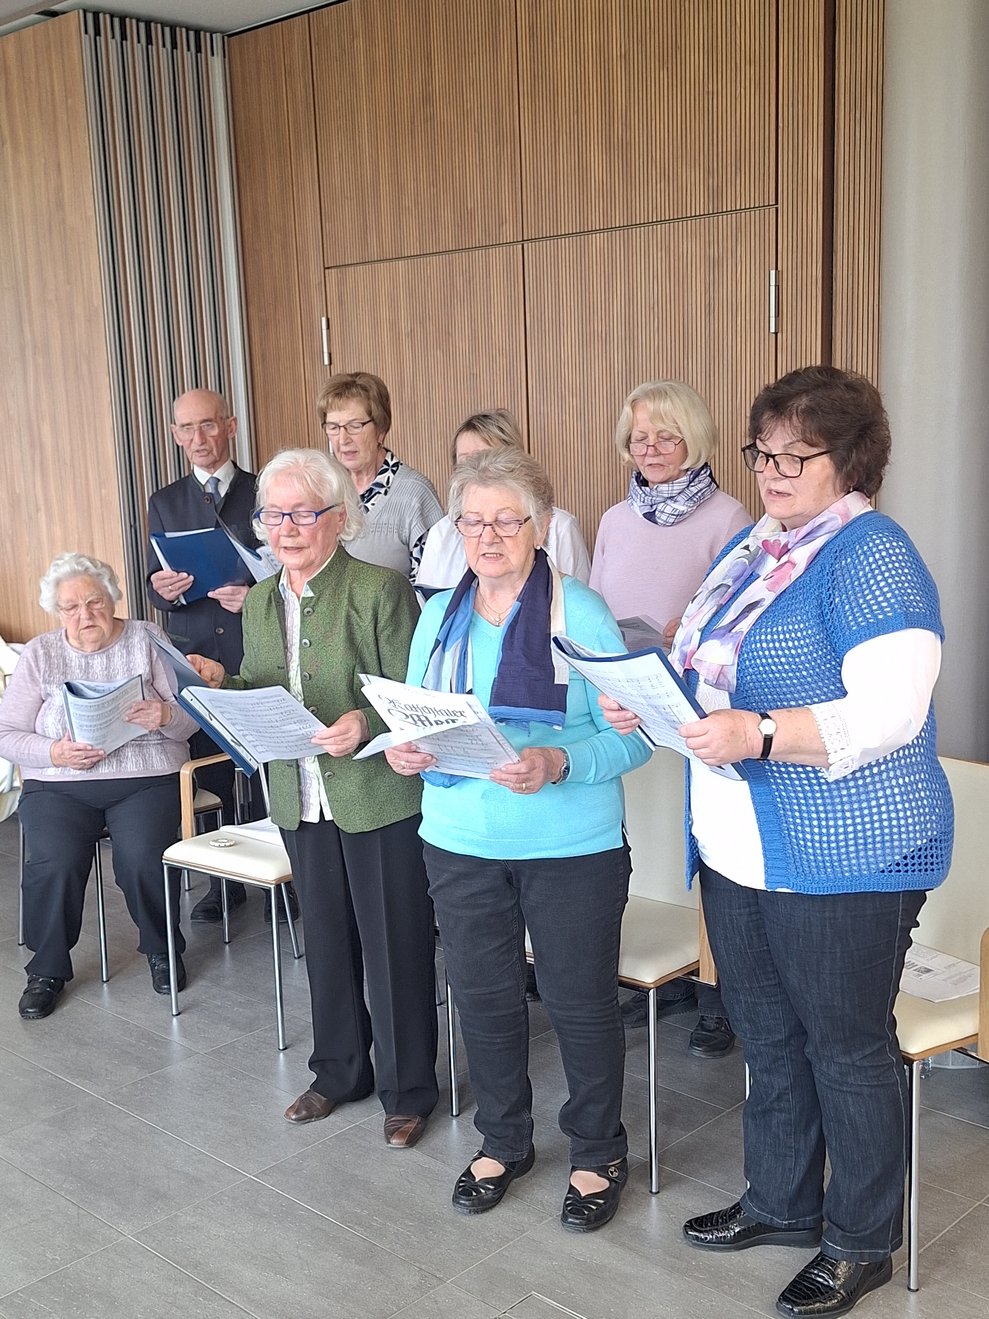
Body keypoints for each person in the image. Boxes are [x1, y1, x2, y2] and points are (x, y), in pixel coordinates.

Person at [602, 366, 953, 1319]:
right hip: (738, 843)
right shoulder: (758, 547)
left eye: (799, 455)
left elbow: (889, 708)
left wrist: (759, 732)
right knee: (766, 1033)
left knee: (846, 1047)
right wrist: (641, 690)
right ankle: (782, 1201)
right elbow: (698, 659)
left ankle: (859, 1239)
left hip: (846, 849)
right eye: (764, 452)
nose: (774, 471)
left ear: (852, 459)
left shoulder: (872, 553)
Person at [386, 447, 650, 1230]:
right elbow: (421, 719)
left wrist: (557, 759)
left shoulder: (583, 612)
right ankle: (502, 1139)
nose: (488, 536)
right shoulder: (438, 614)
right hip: (459, 839)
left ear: (540, 526)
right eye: (472, 521)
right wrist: (408, 747)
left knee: (579, 1004)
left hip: (572, 848)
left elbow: (636, 741)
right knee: (484, 998)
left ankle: (598, 1150)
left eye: (507, 519)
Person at [188, 449, 438, 1147]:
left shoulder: (379, 589)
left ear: (338, 518)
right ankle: (337, 1071)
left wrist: (368, 721)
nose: (285, 527)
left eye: (302, 512)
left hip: (376, 795)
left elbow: (413, 702)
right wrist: (217, 685)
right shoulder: (263, 598)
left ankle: (409, 1087)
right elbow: (261, 686)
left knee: (395, 945)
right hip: (298, 796)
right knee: (324, 941)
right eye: (274, 513)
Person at [590, 379, 749, 1055]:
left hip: (696, 709)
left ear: (694, 439)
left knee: (705, 851)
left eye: (665, 434)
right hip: (626, 705)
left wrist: (687, 627)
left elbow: (742, 620)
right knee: (650, 844)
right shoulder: (612, 518)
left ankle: (719, 992)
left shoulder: (729, 515)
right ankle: (664, 974)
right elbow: (594, 609)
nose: (649, 448)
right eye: (638, 436)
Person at [0, 553, 199, 1018]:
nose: (85, 615)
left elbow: (193, 714)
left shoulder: (147, 638)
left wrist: (166, 715)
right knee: (55, 862)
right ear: (57, 611)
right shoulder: (41, 653)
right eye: (71, 607)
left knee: (142, 856)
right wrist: (54, 753)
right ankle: (46, 969)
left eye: (94, 601)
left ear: (113, 598)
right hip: (61, 783)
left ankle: (163, 948)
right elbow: (6, 733)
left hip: (143, 776)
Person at [146, 387, 265, 924]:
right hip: (193, 652)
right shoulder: (165, 500)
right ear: (175, 435)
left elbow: (290, 572)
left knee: (266, 766)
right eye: (186, 429)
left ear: (231, 426)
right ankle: (223, 883)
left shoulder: (263, 489)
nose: (198, 438)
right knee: (209, 772)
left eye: (208, 426)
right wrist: (161, 588)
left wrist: (256, 596)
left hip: (254, 647)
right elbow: (150, 580)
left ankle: (281, 879)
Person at [417, 410, 591, 590]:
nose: (477, 469)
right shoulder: (441, 531)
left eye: (485, 457)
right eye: (465, 461)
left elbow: (577, 597)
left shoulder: (559, 526)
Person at [317, 371, 442, 581]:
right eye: (334, 427)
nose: (342, 439)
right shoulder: (324, 492)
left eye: (354, 426)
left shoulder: (414, 494)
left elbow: (434, 588)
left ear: (380, 429)